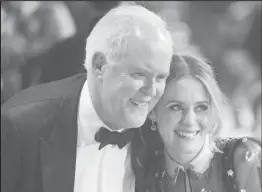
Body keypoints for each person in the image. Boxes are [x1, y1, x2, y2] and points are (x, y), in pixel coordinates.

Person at [1, 4, 173, 192]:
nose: (152, 90)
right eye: (139, 74)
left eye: (160, 78)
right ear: (99, 66)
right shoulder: (20, 127)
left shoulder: (161, 136)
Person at [131, 53, 261, 192]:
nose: (189, 121)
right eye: (176, 107)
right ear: (152, 111)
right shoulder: (142, 174)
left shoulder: (243, 158)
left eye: (201, 107)